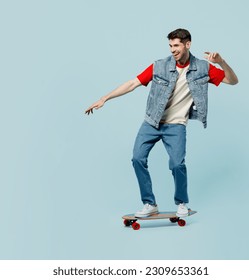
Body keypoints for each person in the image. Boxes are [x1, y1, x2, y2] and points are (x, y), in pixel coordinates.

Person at [85, 28, 238, 218]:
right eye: (170, 46)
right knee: (137, 158)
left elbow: (233, 81)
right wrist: (105, 98)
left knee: (176, 164)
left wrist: (221, 62)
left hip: (176, 125)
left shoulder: (203, 68)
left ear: (187, 44)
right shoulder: (159, 66)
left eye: (176, 45)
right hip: (152, 122)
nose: (173, 50)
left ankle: (182, 203)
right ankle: (149, 204)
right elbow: (133, 83)